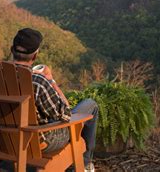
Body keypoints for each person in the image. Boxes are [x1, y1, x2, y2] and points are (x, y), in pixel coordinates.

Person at [11, 28, 98, 172]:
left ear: (11, 50)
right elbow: (65, 114)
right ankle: (85, 163)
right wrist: (51, 80)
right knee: (91, 105)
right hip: (38, 141)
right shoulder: (38, 81)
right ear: (35, 56)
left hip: (4, 138)